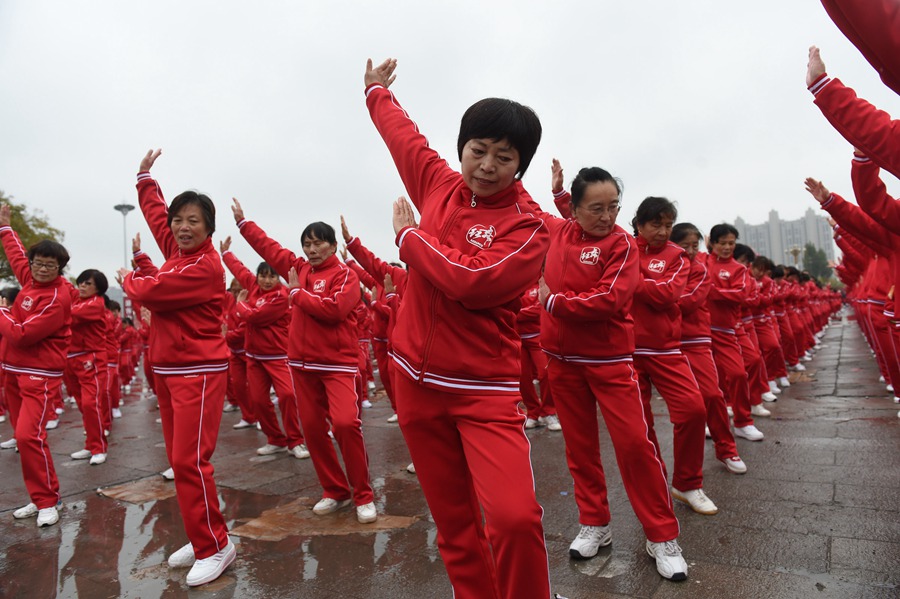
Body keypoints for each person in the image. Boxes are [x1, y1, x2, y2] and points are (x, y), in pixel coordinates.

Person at [364, 57, 552, 598]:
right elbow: (405, 139)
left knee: (515, 520)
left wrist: (409, 240)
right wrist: (377, 92)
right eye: (478, 149)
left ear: (520, 165)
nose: (487, 165)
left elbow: (472, 281)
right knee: (454, 527)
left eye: (504, 156)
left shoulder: (528, 226)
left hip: (482, 391)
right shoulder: (438, 183)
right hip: (416, 386)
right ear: (462, 147)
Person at [539, 163, 689, 581]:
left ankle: (661, 534)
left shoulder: (623, 246)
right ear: (574, 208)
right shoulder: (559, 230)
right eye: (596, 208)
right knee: (580, 448)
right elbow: (531, 208)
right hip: (561, 361)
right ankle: (595, 524)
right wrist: (555, 194)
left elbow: (609, 299)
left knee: (634, 447)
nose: (607, 217)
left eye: (613, 207)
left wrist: (554, 303)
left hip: (609, 361)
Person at [119, 149, 235, 587]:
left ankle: (216, 547)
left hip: (197, 373)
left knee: (190, 462)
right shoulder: (178, 251)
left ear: (209, 230)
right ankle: (201, 533)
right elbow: (155, 217)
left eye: (194, 222)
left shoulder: (204, 266)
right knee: (180, 461)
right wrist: (145, 179)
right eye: (179, 220)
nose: (183, 228)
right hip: (169, 372)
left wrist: (131, 277)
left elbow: (147, 291)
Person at [233, 201, 376, 524]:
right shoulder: (298, 268)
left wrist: (297, 295)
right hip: (301, 365)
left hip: (337, 364)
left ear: (333, 246)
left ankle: (363, 494)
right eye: (307, 244)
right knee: (312, 430)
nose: (311, 250)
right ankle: (335, 491)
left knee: (344, 425)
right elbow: (270, 249)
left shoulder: (346, 276)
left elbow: (335, 310)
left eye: (318, 243)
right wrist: (244, 225)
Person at [628, 196, 717, 515]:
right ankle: (654, 483)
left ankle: (688, 483)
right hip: (627, 352)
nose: (664, 231)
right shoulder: (623, 247)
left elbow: (668, 295)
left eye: (668, 225)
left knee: (694, 410)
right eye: (656, 224)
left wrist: (633, 281)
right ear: (639, 224)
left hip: (667, 349)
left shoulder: (677, 256)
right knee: (639, 426)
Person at [0, 204, 72, 528]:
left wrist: (2, 313)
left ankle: (48, 501)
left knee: (29, 436)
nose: (42, 270)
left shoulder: (58, 297)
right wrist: (5, 228)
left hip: (40, 375)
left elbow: (23, 335)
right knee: (23, 436)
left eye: (50, 265)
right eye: (39, 263)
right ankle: (39, 497)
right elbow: (16, 256)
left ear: (60, 268)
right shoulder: (29, 279)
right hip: (15, 371)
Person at [221, 238, 309, 459]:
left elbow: (255, 317)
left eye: (272, 276)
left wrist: (241, 305)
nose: (267, 280)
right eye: (263, 275)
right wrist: (225, 255)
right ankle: (275, 440)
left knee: (288, 396)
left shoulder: (281, 296)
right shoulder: (253, 287)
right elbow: (240, 271)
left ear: (277, 278)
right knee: (259, 401)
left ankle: (295, 441)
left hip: (278, 357)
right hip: (254, 357)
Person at [672, 223, 747, 475]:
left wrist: (649, 296)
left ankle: (727, 447)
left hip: (697, 339)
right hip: (661, 344)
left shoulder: (700, 269)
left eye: (695, 246)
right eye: (685, 246)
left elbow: (689, 301)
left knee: (713, 395)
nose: (691, 251)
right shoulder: (658, 264)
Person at [706, 224, 765, 442]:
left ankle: (743, 422)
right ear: (713, 243)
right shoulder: (702, 262)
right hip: (699, 333)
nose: (727, 247)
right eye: (722, 243)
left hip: (726, 331)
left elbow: (739, 294)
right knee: (708, 382)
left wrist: (711, 290)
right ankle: (711, 422)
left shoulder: (738, 269)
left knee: (739, 373)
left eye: (731, 243)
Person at [66, 269, 111, 464]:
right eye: (81, 282)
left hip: (90, 358)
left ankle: (99, 447)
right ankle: (90, 444)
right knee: (83, 405)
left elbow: (65, 313)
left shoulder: (96, 304)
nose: (82, 286)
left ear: (98, 288)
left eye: (88, 283)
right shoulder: (77, 299)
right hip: (71, 358)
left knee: (90, 403)